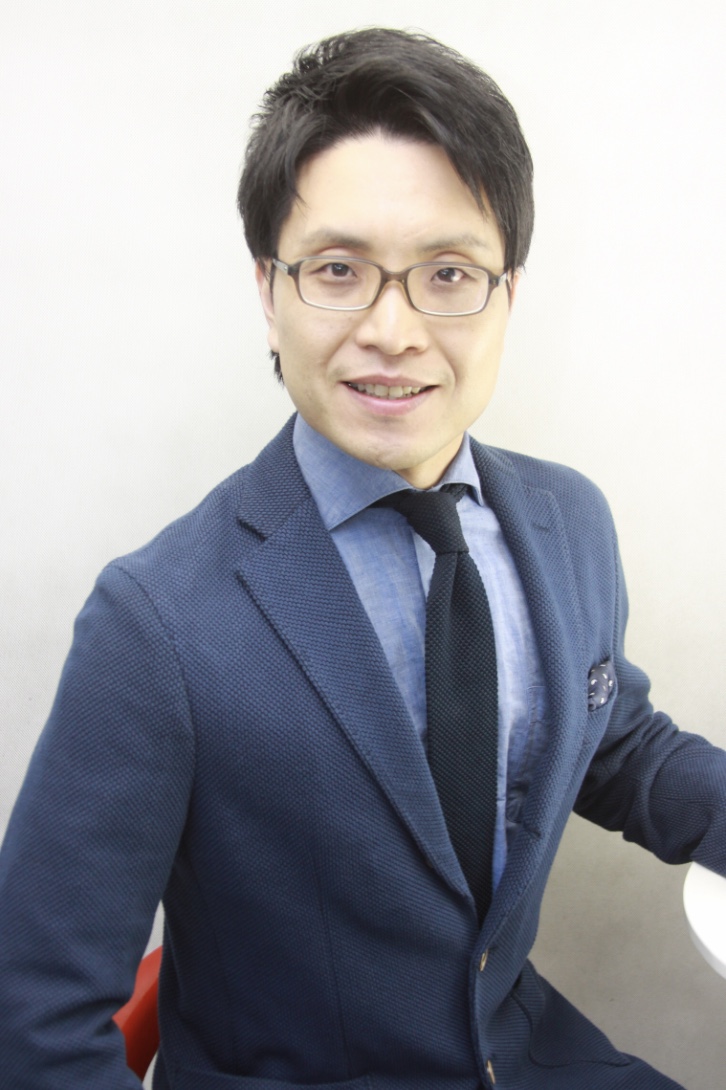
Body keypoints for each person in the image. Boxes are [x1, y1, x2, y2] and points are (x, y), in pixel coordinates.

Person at [0, 26, 724, 1090]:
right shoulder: (154, 623)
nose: (392, 329)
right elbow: (35, 1021)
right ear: (269, 291)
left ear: (508, 295)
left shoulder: (569, 520)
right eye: (338, 270)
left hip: (526, 1056)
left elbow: (616, 745)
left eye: (448, 273)